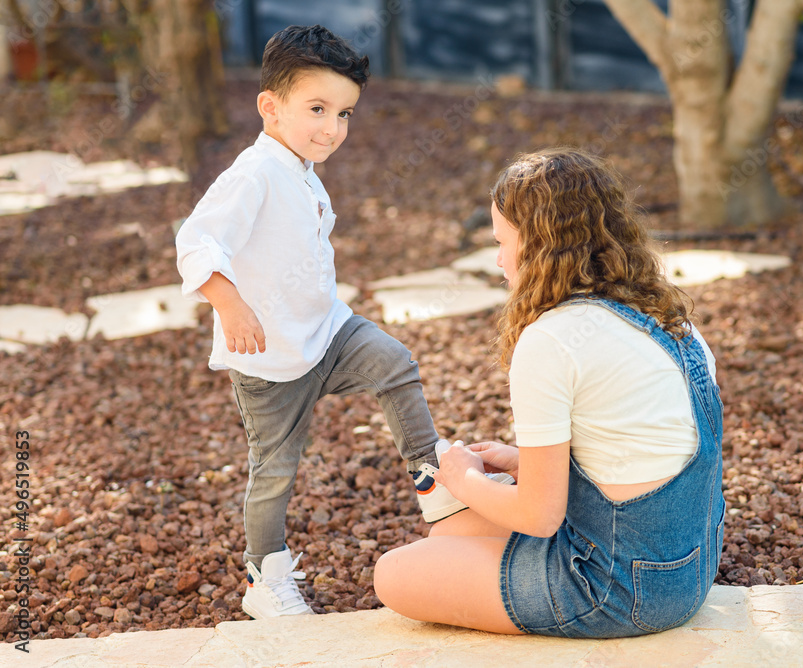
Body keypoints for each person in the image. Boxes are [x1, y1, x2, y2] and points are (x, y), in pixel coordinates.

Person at [175, 25, 508, 620]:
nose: (332, 128)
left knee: (393, 362)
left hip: (328, 331)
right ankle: (264, 578)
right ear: (270, 107)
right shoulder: (253, 173)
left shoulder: (301, 167)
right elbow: (196, 242)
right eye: (317, 109)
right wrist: (229, 304)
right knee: (274, 470)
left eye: (344, 113)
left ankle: (432, 480)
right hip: (270, 359)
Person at [374, 148, 726, 638]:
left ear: (540, 244)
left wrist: (463, 478)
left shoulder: (552, 339)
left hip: (616, 589)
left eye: (502, 242)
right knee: (450, 531)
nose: (499, 260)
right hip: (690, 568)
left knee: (394, 574)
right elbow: (638, 447)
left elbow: (538, 517)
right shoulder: (668, 319)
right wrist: (524, 461)